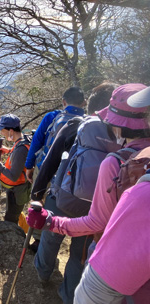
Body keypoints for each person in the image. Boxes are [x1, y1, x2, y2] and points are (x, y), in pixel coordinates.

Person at [27, 83, 150, 303]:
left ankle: (43, 274)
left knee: (50, 241)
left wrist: (41, 204)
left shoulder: (113, 160)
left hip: (66, 202)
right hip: (138, 264)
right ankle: (67, 295)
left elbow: (50, 161)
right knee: (78, 256)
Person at [74, 85, 150, 304]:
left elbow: (97, 221)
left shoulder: (114, 162)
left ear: (119, 128)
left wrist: (53, 222)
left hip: (112, 266)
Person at [25, 87, 86, 184]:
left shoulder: (52, 116)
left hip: (46, 169)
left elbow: (36, 142)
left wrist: (29, 166)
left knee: (38, 198)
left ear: (63, 101)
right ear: (84, 103)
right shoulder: (87, 122)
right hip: (71, 174)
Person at [0, 114, 31, 225]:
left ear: (11, 131)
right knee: (15, 214)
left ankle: (17, 240)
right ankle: (22, 231)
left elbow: (13, 176)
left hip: (17, 191)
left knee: (11, 220)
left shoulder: (21, 149)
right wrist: (9, 150)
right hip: (17, 190)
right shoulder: (24, 139)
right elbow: (21, 157)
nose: (1, 133)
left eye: (2, 130)